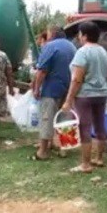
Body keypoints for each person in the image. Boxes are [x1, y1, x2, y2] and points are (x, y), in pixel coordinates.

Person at [61, 21, 107, 173]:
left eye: (80, 34)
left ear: (85, 35)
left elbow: (77, 79)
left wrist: (69, 100)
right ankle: (100, 159)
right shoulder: (103, 51)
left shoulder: (82, 52)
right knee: (100, 125)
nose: (79, 37)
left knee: (85, 127)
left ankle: (86, 164)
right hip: (101, 93)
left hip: (85, 95)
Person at [30, 25, 76, 160]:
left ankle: (43, 151)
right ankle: (64, 148)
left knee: (47, 118)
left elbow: (42, 70)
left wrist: (37, 88)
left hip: (52, 88)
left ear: (53, 34)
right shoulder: (72, 46)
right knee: (65, 118)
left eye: (48, 33)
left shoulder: (50, 46)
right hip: (68, 88)